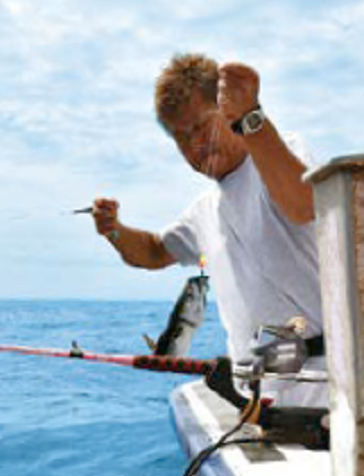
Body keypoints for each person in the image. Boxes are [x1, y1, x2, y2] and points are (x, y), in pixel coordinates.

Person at [91, 54, 326, 410]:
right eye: (181, 137)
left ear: (226, 112)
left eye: (201, 126)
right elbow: (154, 252)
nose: (194, 146)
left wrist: (251, 118)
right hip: (261, 398)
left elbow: (302, 204)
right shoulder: (205, 210)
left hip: (327, 388)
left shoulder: (280, 152)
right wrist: (114, 231)